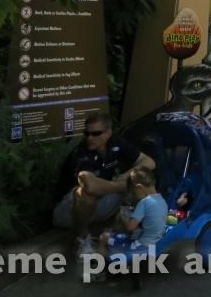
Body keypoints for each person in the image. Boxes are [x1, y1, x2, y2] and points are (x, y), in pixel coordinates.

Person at [52, 112, 155, 261]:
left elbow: (149, 162)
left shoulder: (116, 143)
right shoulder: (82, 154)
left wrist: (129, 174)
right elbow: (90, 186)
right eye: (86, 133)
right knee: (85, 192)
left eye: (95, 133)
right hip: (69, 212)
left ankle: (114, 235)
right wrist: (123, 185)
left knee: (140, 184)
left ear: (108, 133)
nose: (89, 138)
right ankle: (82, 240)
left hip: (99, 204)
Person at [98, 165, 167, 259]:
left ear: (139, 187)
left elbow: (130, 227)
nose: (135, 196)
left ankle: (101, 268)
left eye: (134, 193)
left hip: (140, 247)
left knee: (103, 238)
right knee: (121, 237)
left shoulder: (144, 203)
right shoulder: (162, 201)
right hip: (156, 243)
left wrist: (121, 216)